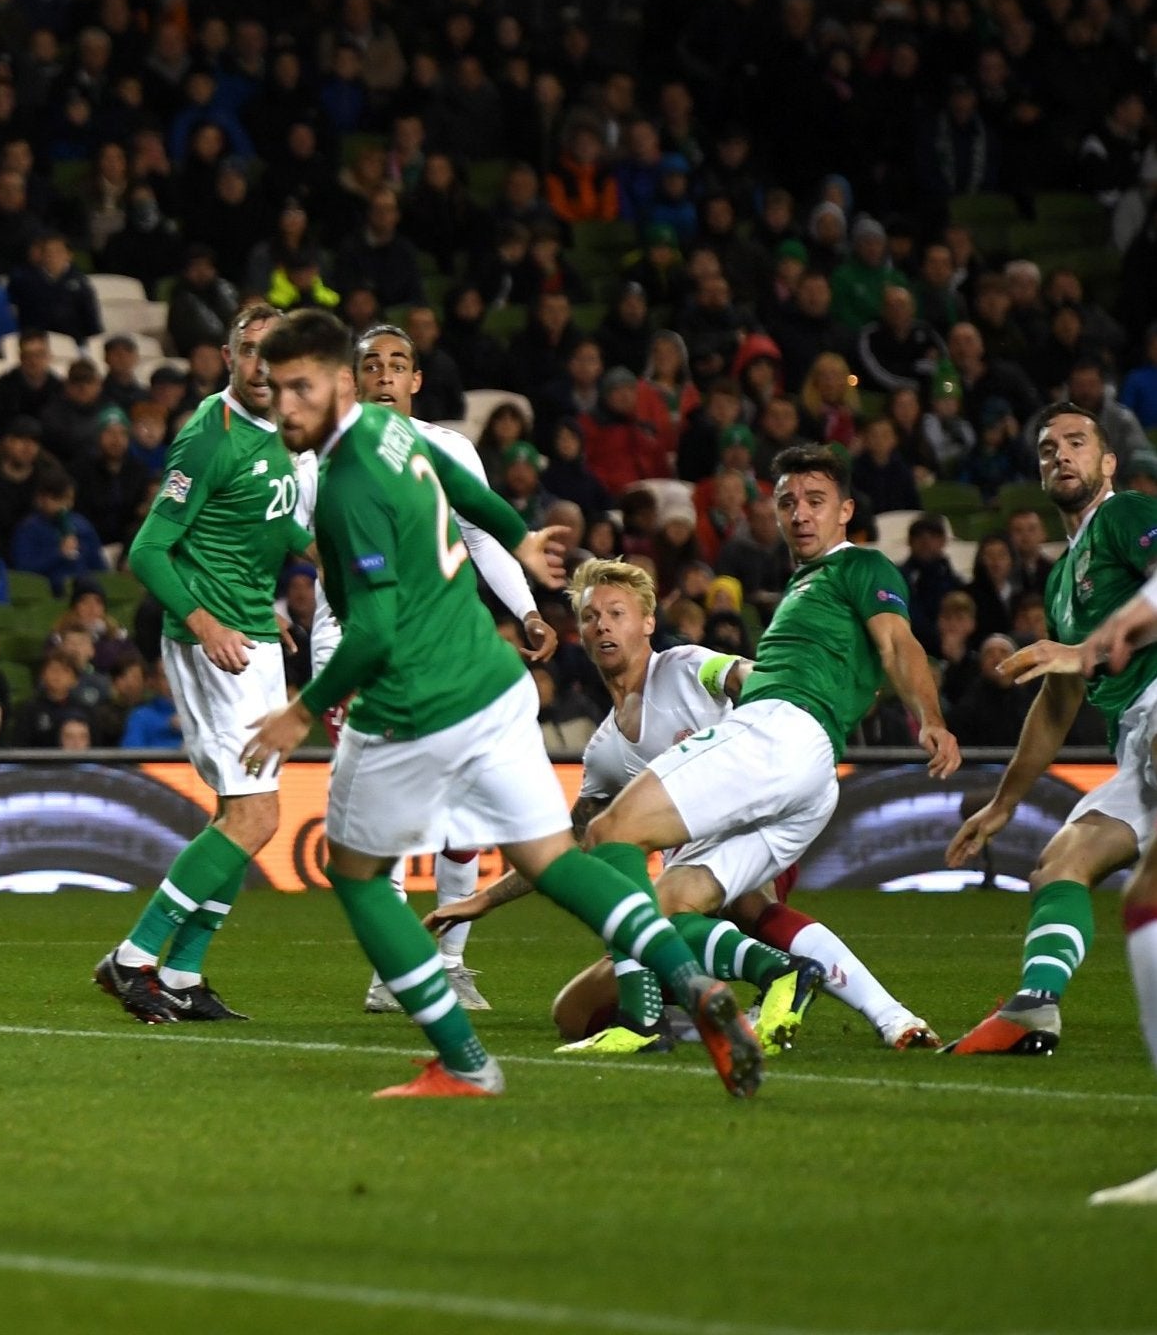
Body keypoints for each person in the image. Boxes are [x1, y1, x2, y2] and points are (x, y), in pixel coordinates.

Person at [241, 309, 759, 1100]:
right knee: (549, 859)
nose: (286, 408)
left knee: (352, 872)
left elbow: (373, 629)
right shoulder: (400, 438)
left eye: (302, 388)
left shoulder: (346, 483)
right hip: (492, 686)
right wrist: (517, 537)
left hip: (414, 706)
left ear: (342, 385)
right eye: (277, 391)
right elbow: (458, 487)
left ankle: (461, 1060)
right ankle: (692, 983)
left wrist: (299, 711)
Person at [439, 560, 934, 1054]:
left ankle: (871, 1008)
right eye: (591, 617)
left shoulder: (688, 667)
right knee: (574, 1012)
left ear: (649, 622)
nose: (603, 625)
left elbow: (750, 675)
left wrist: (824, 689)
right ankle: (729, 1016)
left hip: (759, 818)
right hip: (689, 880)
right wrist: (485, 899)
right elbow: (567, 842)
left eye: (617, 612)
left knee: (732, 905)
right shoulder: (605, 750)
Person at [567, 446, 955, 1059]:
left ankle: (643, 1025)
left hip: (775, 733)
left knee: (614, 832)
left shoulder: (860, 568)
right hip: (813, 775)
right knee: (668, 905)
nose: (799, 514)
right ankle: (855, 1002)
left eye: (815, 501)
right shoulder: (807, 586)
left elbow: (898, 644)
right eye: (787, 502)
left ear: (846, 511)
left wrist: (929, 718)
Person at [93, 304, 327, 1024]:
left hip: (255, 634)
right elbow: (145, 552)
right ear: (227, 358)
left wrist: (308, 566)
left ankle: (185, 974)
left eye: (274, 351)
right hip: (209, 645)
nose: (261, 365)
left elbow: (263, 516)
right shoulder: (207, 437)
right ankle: (134, 961)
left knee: (246, 813)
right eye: (248, 351)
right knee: (255, 818)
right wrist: (204, 623)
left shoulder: (281, 433)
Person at [944, 404, 1157, 1060]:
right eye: (1046, 448)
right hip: (1136, 748)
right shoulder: (1062, 578)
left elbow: (1081, 659)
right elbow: (1058, 702)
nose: (1059, 454)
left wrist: (1084, 650)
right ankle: (1033, 1008)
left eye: (1075, 442)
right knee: (1059, 865)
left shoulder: (1125, 516)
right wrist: (1003, 802)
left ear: (1108, 461)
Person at [354, 323, 553, 1014]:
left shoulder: (449, 449)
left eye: (397, 364)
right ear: (355, 380)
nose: (384, 375)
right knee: (392, 815)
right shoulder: (323, 454)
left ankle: (448, 960)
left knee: (464, 805)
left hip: (445, 647)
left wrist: (526, 611)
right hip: (364, 649)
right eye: (370, 365)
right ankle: (395, 971)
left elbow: (481, 537)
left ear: (415, 381)